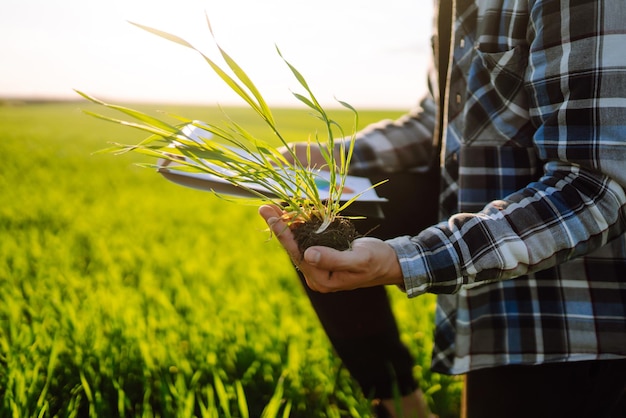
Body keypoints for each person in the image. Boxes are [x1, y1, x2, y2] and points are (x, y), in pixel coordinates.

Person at [260, 0, 626, 417]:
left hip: (570, 312)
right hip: (494, 248)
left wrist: (407, 259)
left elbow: (595, 188)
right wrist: (329, 157)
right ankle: (403, 406)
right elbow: (442, 117)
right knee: (323, 215)